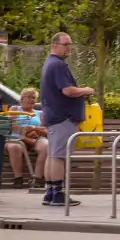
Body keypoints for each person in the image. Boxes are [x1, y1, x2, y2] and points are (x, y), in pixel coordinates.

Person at [39, 32, 96, 207]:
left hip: (55, 116)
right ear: (55, 45)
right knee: (59, 156)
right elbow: (68, 91)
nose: (70, 47)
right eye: (66, 44)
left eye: (71, 44)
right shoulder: (58, 65)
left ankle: (50, 192)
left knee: (52, 154)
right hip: (62, 117)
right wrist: (86, 90)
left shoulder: (51, 64)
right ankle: (58, 194)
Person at [5, 87, 48, 189]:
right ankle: (18, 178)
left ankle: (37, 178)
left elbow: (46, 130)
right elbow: (13, 127)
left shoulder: (40, 113)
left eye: (33, 97)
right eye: (28, 97)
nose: (31, 100)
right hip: (17, 138)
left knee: (46, 145)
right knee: (14, 147)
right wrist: (26, 134)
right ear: (21, 99)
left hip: (36, 138)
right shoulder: (14, 109)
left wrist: (35, 129)